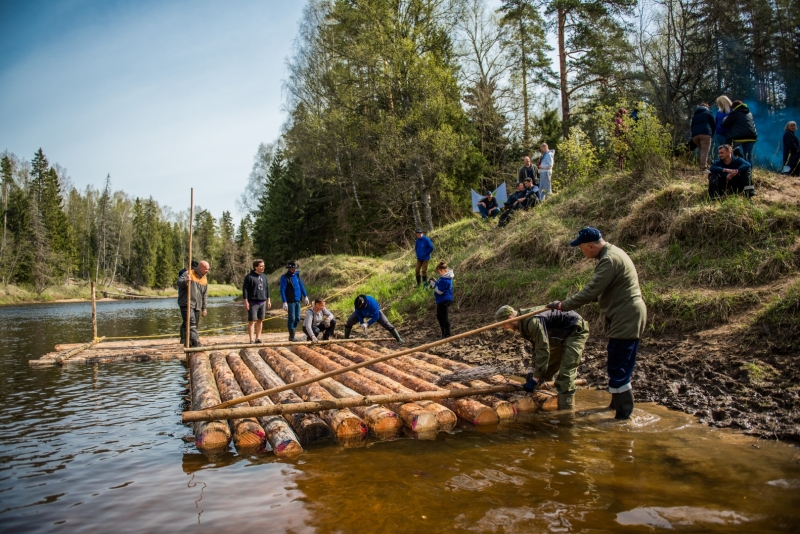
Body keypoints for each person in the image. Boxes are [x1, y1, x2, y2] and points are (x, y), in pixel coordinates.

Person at [546, 227, 646, 420]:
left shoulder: (608, 260)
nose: (581, 251)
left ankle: (623, 417)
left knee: (619, 365)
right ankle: (614, 406)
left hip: (625, 315)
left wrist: (563, 305)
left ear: (591, 246)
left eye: (581, 248)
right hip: (625, 313)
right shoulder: (612, 253)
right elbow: (602, 291)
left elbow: (592, 290)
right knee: (618, 361)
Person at [494, 305, 589, 410]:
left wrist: (534, 380)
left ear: (510, 318)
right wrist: (532, 370)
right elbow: (536, 347)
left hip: (574, 329)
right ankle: (547, 399)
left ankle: (566, 411)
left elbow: (543, 349)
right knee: (544, 372)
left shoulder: (532, 321)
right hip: (558, 335)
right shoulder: (523, 324)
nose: (504, 328)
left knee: (566, 372)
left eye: (504, 324)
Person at [177, 260, 209, 347]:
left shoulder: (204, 279)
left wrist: (204, 308)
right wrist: (186, 281)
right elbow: (179, 283)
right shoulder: (188, 273)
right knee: (192, 323)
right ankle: (195, 342)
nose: (207, 271)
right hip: (186, 303)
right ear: (200, 268)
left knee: (195, 325)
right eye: (206, 269)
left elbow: (205, 295)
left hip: (197, 305)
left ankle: (190, 342)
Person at [242, 259, 271, 343]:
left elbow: (267, 289)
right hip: (252, 301)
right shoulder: (249, 277)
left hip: (262, 301)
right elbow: (245, 290)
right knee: (252, 321)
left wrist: (268, 300)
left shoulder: (264, 276)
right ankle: (251, 339)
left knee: (260, 320)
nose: (263, 268)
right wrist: (246, 301)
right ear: (256, 267)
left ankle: (258, 338)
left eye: (263, 266)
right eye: (261, 266)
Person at [279, 260, 309, 342]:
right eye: (292, 269)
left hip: (297, 300)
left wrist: (305, 296)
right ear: (289, 269)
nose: (294, 270)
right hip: (290, 301)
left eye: (295, 268)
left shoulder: (297, 276)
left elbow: (301, 286)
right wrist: (284, 301)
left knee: (298, 318)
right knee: (292, 318)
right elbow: (282, 290)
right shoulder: (284, 277)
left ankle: (293, 332)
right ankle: (292, 336)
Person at [428, 260, 454, 338]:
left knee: (444, 317)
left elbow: (440, 291)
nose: (439, 273)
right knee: (439, 317)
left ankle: (447, 334)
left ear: (442, 270)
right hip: (441, 300)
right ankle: (443, 333)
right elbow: (438, 286)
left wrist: (433, 284)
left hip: (444, 300)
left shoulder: (446, 280)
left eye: (439, 271)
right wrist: (435, 282)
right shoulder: (443, 278)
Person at [691, 103, 716, 169]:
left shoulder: (695, 115)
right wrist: (711, 134)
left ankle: (706, 164)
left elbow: (692, 126)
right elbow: (713, 125)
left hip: (695, 136)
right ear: (707, 107)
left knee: (703, 150)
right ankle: (703, 168)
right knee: (705, 151)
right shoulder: (708, 112)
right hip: (705, 133)